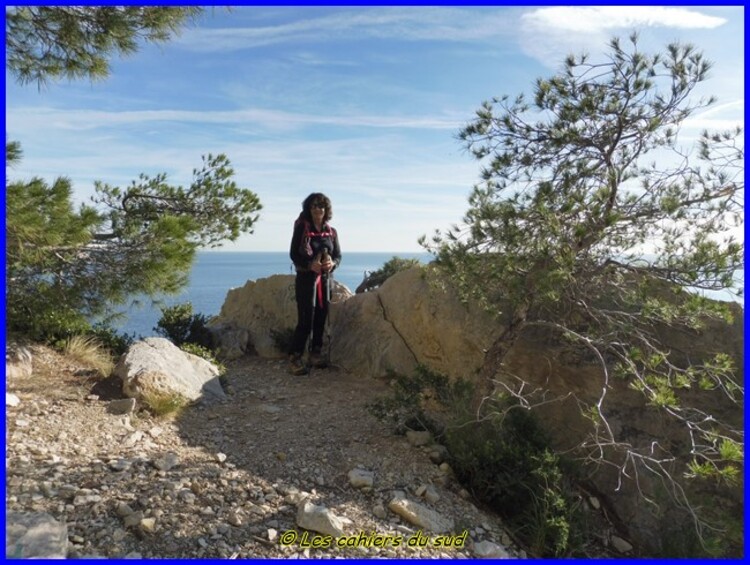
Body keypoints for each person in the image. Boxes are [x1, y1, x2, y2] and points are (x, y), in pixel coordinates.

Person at [288, 192, 341, 375]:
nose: (317, 209)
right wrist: (310, 265)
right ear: (308, 209)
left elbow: (338, 256)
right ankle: (295, 357)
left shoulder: (331, 232)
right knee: (306, 320)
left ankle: (315, 354)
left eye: (321, 206)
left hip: (325, 282)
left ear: (326, 210)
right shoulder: (302, 228)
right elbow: (294, 254)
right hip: (306, 280)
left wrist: (331, 264)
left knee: (320, 317)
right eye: (313, 206)